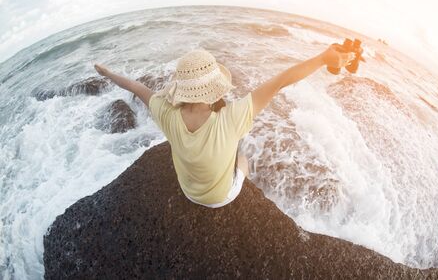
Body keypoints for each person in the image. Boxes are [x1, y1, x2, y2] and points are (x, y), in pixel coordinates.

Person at [94, 45, 355, 208]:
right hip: (219, 199)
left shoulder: (166, 114)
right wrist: (324, 58)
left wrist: (106, 72)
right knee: (242, 159)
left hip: (188, 193)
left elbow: (135, 87)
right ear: (214, 87)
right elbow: (281, 81)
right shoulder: (230, 119)